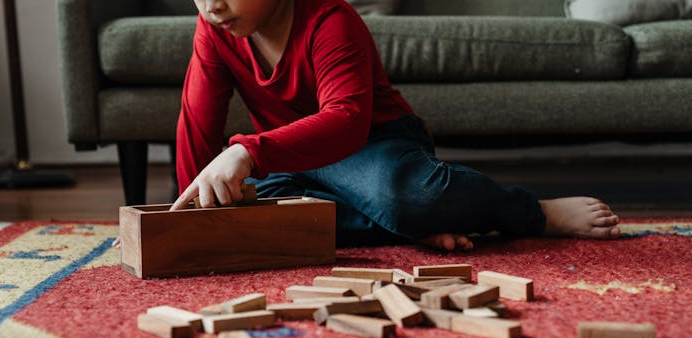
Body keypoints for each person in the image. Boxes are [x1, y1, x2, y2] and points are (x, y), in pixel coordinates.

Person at [170, 0, 621, 250]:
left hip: (371, 146)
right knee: (246, 215)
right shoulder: (213, 28)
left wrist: (248, 151)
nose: (213, 5)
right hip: (294, 161)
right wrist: (184, 216)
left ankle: (531, 212)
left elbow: (345, 123)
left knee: (409, 196)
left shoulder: (331, 19)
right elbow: (198, 118)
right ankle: (407, 227)